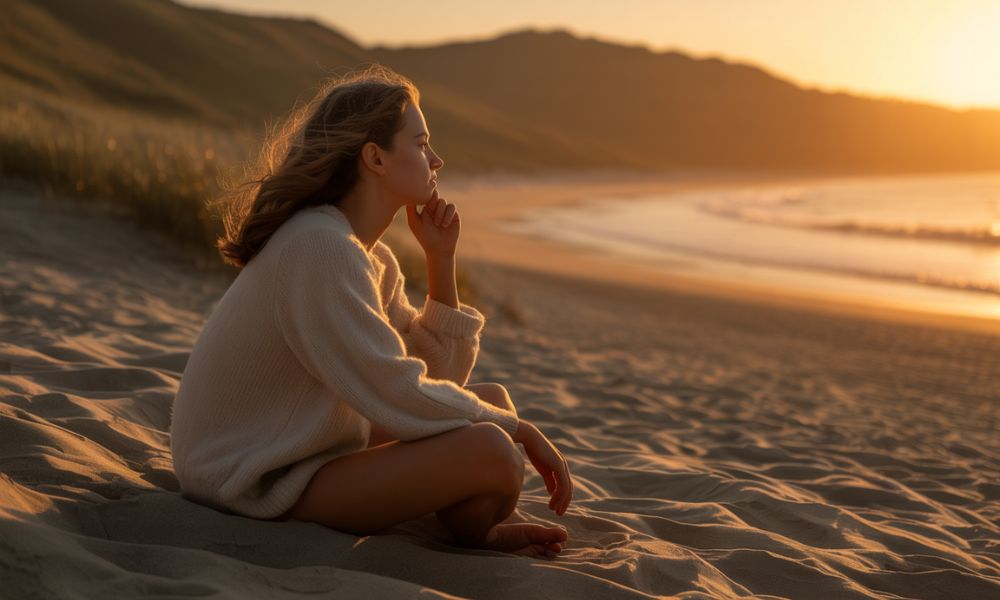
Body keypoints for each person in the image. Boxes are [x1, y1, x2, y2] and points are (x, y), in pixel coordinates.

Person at [168, 65, 572, 559]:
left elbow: (433, 376)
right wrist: (521, 431)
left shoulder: (364, 255)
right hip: (252, 476)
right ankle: (473, 534)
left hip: (301, 446)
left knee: (492, 401)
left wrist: (440, 260)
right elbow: (396, 390)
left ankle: (471, 531)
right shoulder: (319, 247)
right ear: (375, 158)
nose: (437, 159)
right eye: (422, 143)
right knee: (493, 447)